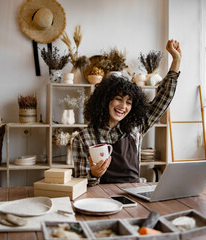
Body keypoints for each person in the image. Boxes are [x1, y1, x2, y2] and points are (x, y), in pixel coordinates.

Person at [72, 39, 182, 186]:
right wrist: (93, 175)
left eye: (129, 102)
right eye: (118, 99)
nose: (123, 106)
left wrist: (177, 59)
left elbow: (163, 98)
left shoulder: (136, 128)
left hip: (134, 194)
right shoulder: (83, 138)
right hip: (102, 200)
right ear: (105, 100)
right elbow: (79, 184)